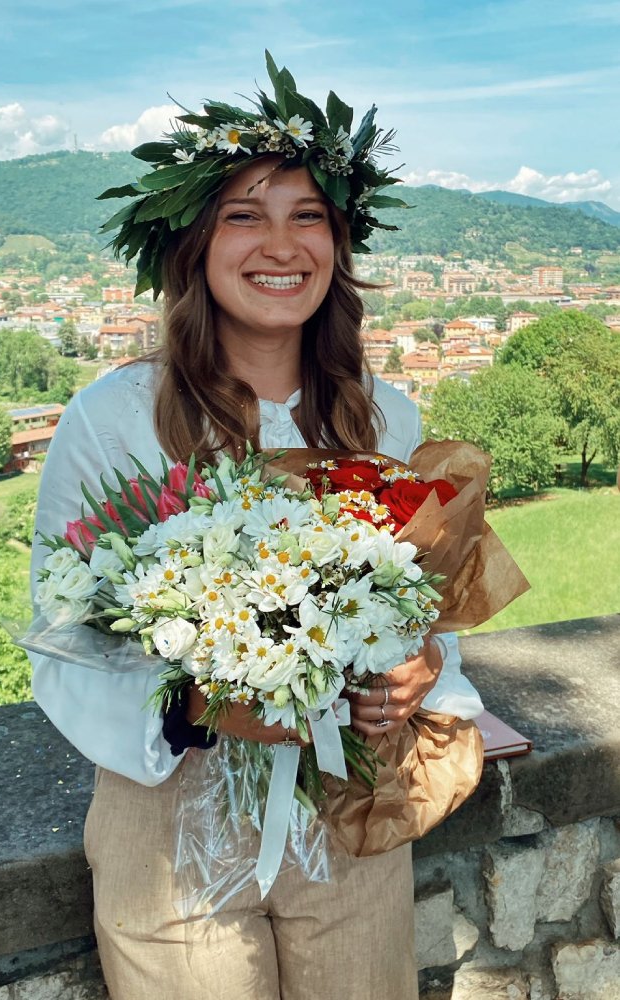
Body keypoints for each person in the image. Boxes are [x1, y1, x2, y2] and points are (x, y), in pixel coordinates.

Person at [29, 54, 483, 1000]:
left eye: (306, 214)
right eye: (245, 214)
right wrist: (201, 707)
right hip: (169, 830)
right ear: (192, 245)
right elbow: (60, 626)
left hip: (348, 810)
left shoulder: (386, 419)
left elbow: (423, 606)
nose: (281, 244)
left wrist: (419, 670)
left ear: (338, 243)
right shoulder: (112, 419)